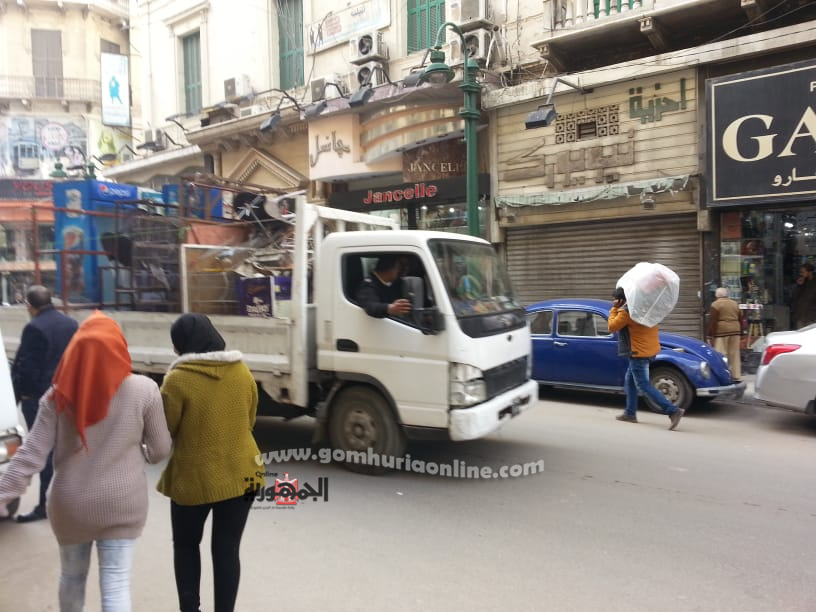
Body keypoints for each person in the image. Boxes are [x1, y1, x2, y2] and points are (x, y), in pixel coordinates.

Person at [0, 311, 172, 611]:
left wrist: (3, 493)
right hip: (123, 503)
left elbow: (31, 455)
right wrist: (136, 452)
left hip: (71, 506)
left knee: (72, 578)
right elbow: (160, 449)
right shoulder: (144, 390)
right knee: (116, 583)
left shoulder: (57, 397)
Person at [157, 313, 263, 612]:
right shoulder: (241, 371)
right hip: (243, 474)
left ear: (181, 346)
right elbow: (250, 419)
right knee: (227, 549)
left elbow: (167, 430)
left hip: (194, 479)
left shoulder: (177, 380)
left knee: (187, 546)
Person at [10, 284, 78, 523]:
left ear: (29, 306)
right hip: (68, 397)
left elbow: (25, 368)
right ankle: (68, 502)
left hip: (39, 400)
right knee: (66, 451)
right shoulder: (70, 324)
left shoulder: (34, 327)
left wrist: (19, 397)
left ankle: (45, 507)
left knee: (44, 452)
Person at [608, 287, 684, 429]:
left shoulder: (627, 312)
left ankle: (673, 411)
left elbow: (612, 326)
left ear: (622, 300)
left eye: (615, 299)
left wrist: (614, 309)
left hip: (638, 353)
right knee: (630, 381)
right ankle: (630, 413)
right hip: (649, 349)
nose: (613, 301)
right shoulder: (647, 308)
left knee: (643, 385)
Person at [707, 287, 743, 381]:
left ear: (717, 295)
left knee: (721, 353)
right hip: (735, 330)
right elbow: (740, 318)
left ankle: (722, 375)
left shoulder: (716, 304)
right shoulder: (735, 304)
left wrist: (710, 334)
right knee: (734, 354)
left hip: (721, 331)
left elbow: (713, 321)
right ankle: (736, 375)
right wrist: (742, 331)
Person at [791, 262, 816, 329]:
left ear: (809, 272)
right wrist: (799, 285)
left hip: (811, 318)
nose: (801, 274)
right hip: (800, 317)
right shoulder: (802, 282)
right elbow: (794, 298)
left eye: (803, 272)